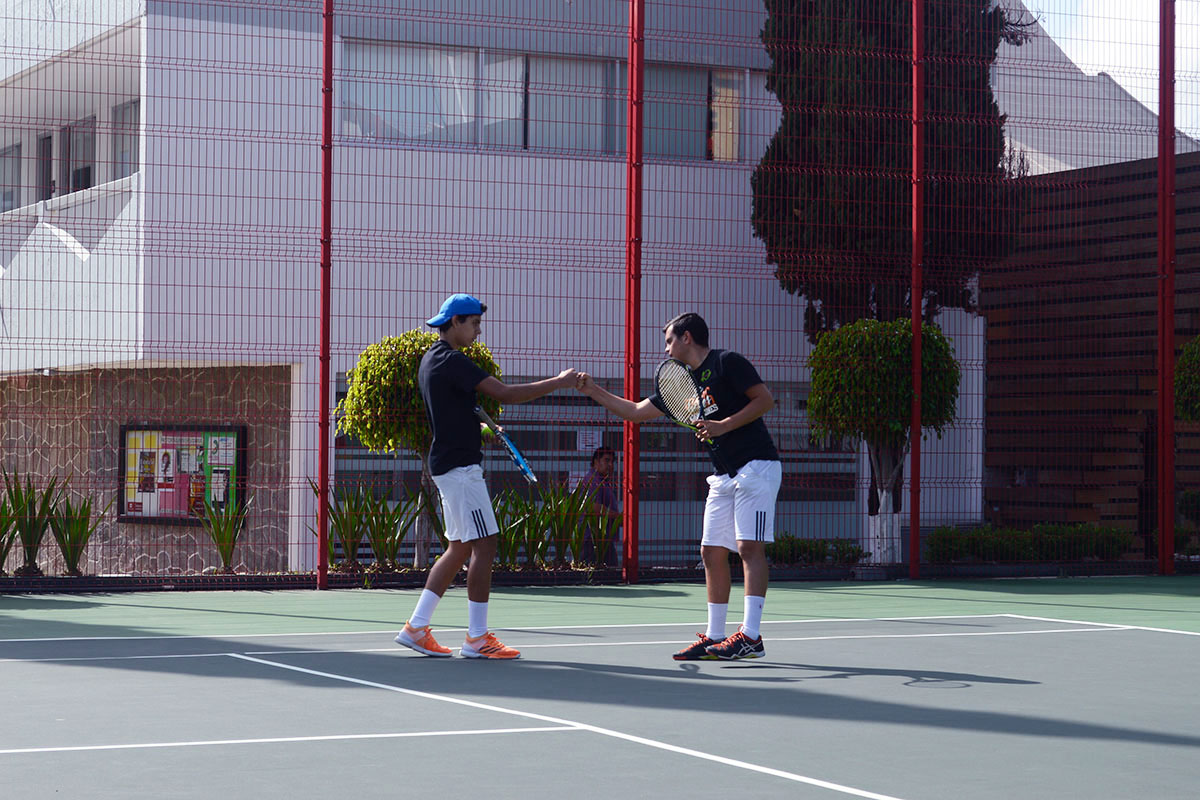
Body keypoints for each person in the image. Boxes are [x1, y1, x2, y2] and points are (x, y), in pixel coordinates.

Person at [576, 312, 781, 660]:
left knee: (749, 548)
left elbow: (765, 400)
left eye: (670, 340)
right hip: (723, 475)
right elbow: (636, 411)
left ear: (687, 337)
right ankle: (715, 636)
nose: (666, 349)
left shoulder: (727, 363)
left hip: (756, 467)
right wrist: (593, 390)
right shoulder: (677, 384)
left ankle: (751, 636)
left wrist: (723, 425)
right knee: (711, 551)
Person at [395, 293, 577, 660]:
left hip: (448, 464)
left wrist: (477, 428)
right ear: (457, 321)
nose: (478, 331)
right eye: (475, 324)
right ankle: (477, 639)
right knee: (486, 544)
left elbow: (448, 415)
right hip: (461, 471)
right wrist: (559, 382)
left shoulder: (431, 360)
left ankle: (416, 627)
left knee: (460, 546)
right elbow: (505, 393)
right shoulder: (453, 360)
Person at [576, 446, 620, 567]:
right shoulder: (593, 481)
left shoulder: (601, 481)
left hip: (601, 537)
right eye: (606, 460)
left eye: (612, 461)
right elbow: (593, 507)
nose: (610, 465)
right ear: (596, 461)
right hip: (593, 538)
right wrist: (618, 517)